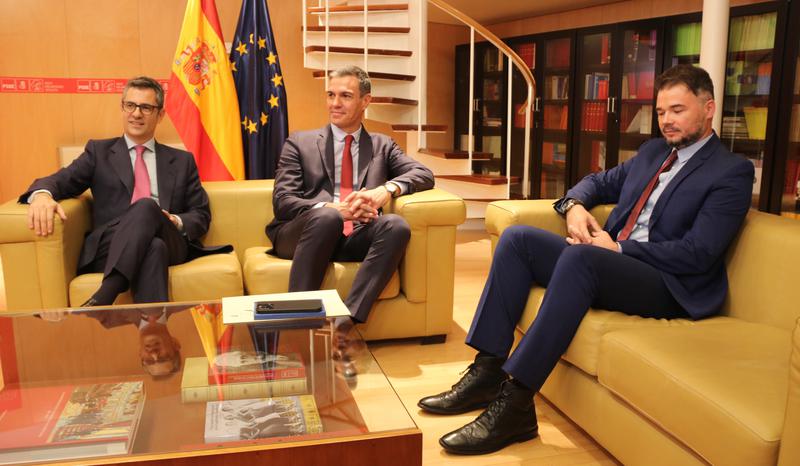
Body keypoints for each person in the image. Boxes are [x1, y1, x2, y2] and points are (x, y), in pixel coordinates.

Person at [418, 64, 754, 455]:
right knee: (518, 239)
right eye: (661, 112)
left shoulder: (731, 172)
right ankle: (488, 369)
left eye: (677, 110)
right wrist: (574, 206)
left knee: (583, 260)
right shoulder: (652, 152)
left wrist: (618, 249)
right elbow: (597, 181)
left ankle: (515, 404)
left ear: (709, 108)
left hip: (667, 283)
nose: (666, 121)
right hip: (614, 263)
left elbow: (699, 253)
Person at [20, 76, 228, 306]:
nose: (136, 113)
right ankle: (154, 330)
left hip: (171, 240)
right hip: (112, 243)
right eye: (130, 105)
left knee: (149, 211)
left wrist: (175, 220)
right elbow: (59, 181)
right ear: (122, 108)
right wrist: (41, 195)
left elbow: (201, 214)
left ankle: (107, 293)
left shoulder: (181, 161)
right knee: (153, 245)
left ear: (160, 115)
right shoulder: (98, 153)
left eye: (146, 107)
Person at [266, 65, 434, 336]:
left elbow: (424, 173)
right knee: (328, 217)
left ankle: (347, 321)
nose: (334, 103)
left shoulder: (383, 145)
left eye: (345, 96)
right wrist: (335, 209)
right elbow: (283, 202)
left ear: (365, 101)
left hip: (354, 236)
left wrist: (387, 190)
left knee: (396, 225)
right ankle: (297, 321)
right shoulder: (300, 142)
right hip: (303, 234)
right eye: (330, 95)